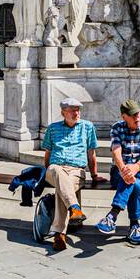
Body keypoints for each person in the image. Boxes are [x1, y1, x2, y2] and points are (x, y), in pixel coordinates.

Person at [40, 97, 100, 252]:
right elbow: (47, 153)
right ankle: (74, 209)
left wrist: (94, 175)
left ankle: (59, 233)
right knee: (58, 172)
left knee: (63, 187)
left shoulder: (87, 127)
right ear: (63, 113)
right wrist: (48, 171)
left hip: (76, 171)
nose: (76, 113)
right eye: (72, 110)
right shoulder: (53, 128)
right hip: (55, 168)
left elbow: (91, 153)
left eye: (78, 109)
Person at [96, 99, 140, 246]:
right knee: (135, 184)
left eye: (138, 113)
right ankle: (134, 226)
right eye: (133, 115)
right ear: (124, 116)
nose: (137, 117)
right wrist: (124, 169)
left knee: (134, 179)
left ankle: (113, 215)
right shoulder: (116, 128)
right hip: (120, 169)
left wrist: (135, 167)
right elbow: (116, 153)